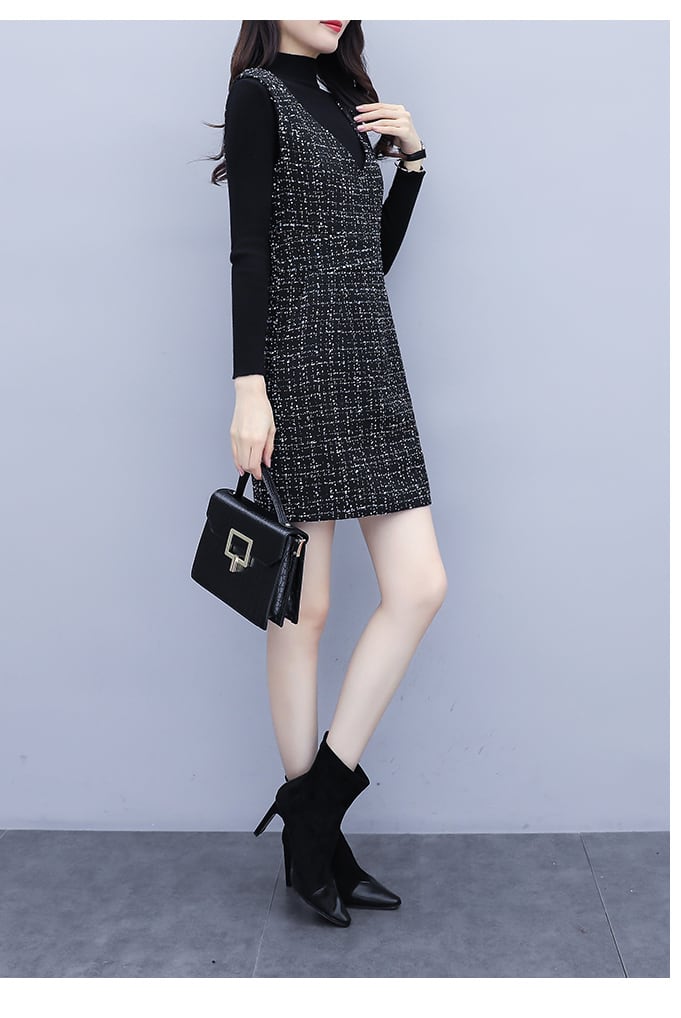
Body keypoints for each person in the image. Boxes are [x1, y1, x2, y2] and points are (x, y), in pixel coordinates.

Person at [210, 19, 448, 927]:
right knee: (301, 611)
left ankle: (312, 816)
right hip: (297, 370)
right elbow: (250, 249)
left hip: (371, 366)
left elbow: (365, 262)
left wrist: (412, 164)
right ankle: (317, 840)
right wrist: (249, 389)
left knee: (419, 586)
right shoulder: (260, 94)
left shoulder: (349, 100)